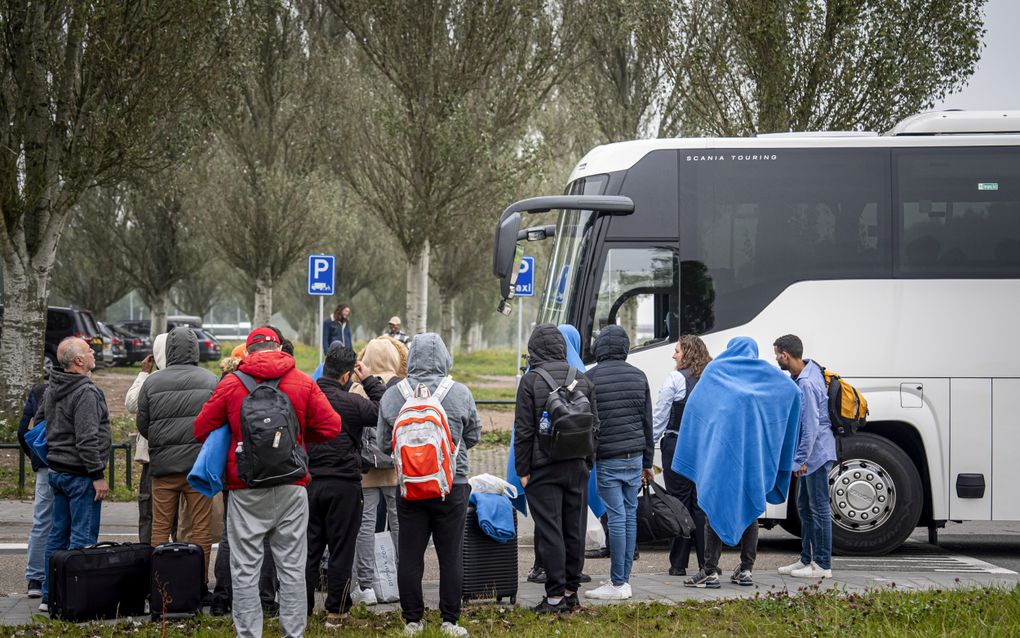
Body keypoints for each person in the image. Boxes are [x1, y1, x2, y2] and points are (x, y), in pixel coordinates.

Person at [194, 327, 340, 638]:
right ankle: (293, 633)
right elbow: (332, 426)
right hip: (292, 485)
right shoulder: (302, 381)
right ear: (279, 349)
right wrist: (296, 439)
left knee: (245, 568)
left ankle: (249, 634)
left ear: (248, 351)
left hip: (245, 486)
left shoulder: (232, 384)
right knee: (291, 567)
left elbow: (201, 426)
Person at [673, 337, 801, 589]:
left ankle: (710, 571)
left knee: (712, 506)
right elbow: (792, 391)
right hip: (753, 460)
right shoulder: (764, 377)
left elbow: (695, 408)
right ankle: (746, 570)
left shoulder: (716, 372)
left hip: (719, 457)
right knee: (751, 510)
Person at [377, 333, 480, 637]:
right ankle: (450, 620)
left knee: (410, 554)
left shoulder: (394, 394)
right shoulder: (460, 392)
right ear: (445, 358)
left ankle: (412, 620)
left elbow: (385, 443)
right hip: (453, 484)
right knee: (450, 554)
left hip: (409, 486)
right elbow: (473, 435)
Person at [514, 324, 598, 614]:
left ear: (534, 349)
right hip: (576, 467)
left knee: (551, 531)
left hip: (542, 469)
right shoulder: (583, 380)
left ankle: (554, 598)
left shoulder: (531, 381)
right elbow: (595, 426)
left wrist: (522, 469)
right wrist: (588, 461)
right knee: (574, 529)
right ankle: (571, 592)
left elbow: (523, 431)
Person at [306, 345, 385, 626]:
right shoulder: (351, 402)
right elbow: (384, 409)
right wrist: (368, 380)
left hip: (309, 482)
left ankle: (300, 610)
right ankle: (336, 612)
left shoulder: (307, 397)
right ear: (346, 375)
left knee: (308, 549)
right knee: (341, 549)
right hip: (345, 484)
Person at [137, 326, 218, 590]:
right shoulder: (209, 379)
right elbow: (217, 421)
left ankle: (159, 586)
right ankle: (200, 584)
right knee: (200, 530)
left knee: (160, 528)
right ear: (195, 349)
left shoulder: (152, 382)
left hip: (162, 470)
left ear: (168, 350)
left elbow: (143, 424)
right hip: (198, 469)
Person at [37, 337, 112, 612]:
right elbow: (87, 438)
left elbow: (40, 420)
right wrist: (97, 475)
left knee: (57, 536)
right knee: (82, 538)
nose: (93, 352)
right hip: (81, 475)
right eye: (88, 350)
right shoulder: (85, 392)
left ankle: (50, 595)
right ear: (79, 360)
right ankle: (75, 598)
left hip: (56, 471)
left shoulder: (53, 386)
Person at [584, 326, 654, 601]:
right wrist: (648, 461)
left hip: (608, 458)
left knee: (616, 517)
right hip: (635, 456)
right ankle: (624, 579)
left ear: (599, 347)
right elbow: (646, 422)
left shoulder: (590, 378)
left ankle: (617, 582)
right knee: (628, 513)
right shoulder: (639, 376)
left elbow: (586, 423)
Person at [209, 345, 279, 618]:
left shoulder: (228, 387)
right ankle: (265, 599)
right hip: (269, 471)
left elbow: (203, 426)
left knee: (230, 536)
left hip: (235, 471)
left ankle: (222, 597)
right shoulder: (274, 388)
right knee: (266, 537)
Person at [774, 334, 837, 579]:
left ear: (785, 355)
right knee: (804, 506)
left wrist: (800, 460)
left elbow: (810, 427)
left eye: (777, 354)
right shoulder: (806, 373)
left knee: (819, 508)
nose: (776, 359)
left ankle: (822, 564)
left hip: (816, 456)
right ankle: (806, 559)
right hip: (813, 454)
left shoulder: (807, 383)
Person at [352, 336, 407, 605]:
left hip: (365, 470)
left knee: (365, 526)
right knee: (399, 524)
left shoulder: (357, 389)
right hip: (396, 469)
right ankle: (401, 579)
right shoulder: (402, 387)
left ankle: (367, 585)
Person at [652, 335, 711, 576]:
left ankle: (678, 564)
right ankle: (706, 562)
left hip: (676, 444)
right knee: (700, 504)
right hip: (704, 446)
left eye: (677, 351)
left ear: (687, 353)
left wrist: (648, 447)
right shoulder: (710, 377)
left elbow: (660, 417)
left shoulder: (676, 378)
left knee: (678, 501)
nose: (673, 355)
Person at [125, 335, 167, 545]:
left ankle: (150, 560)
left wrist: (143, 373)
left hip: (154, 457)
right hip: (186, 457)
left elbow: (132, 404)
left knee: (150, 512)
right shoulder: (198, 377)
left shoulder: (153, 381)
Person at [17, 360, 51, 599]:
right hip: (70, 465)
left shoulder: (39, 392)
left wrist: (35, 456)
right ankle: (61, 575)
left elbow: (23, 431)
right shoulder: (85, 389)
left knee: (42, 521)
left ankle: (35, 580)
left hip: (44, 465)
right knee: (66, 522)